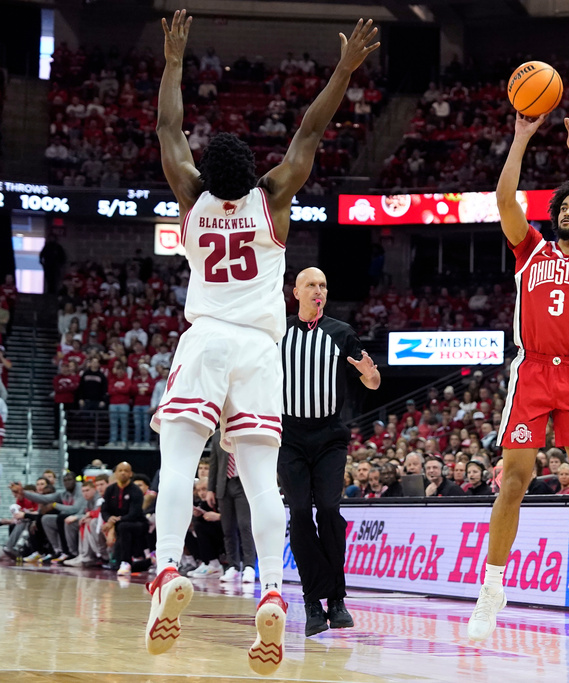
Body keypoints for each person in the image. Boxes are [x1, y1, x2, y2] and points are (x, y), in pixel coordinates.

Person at [147, 11, 379, 672]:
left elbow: (168, 128)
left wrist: (172, 61)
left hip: (206, 337)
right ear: (252, 171)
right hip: (259, 350)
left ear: (204, 173)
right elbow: (309, 129)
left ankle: (166, 570)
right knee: (262, 484)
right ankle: (275, 591)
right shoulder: (272, 198)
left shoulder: (190, 195)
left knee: (179, 459)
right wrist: (343, 70)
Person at [469, 106, 569, 642]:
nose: (568, 211)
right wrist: (520, 139)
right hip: (532, 371)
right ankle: (492, 587)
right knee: (512, 482)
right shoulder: (530, 250)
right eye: (560, 205)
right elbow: (503, 201)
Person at [278, 266, 380, 637]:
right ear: (297, 292)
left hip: (330, 436)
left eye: (323, 284)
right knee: (301, 514)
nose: (318, 290)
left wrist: (370, 375)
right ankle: (312, 602)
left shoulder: (341, 333)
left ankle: (336, 599)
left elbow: (372, 379)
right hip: (289, 435)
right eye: (311, 285)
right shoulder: (278, 331)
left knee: (330, 510)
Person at [206, 429, 256, 583]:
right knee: (228, 529)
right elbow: (213, 463)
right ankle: (233, 566)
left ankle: (249, 566)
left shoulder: (246, 428)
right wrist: (210, 489)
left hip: (243, 484)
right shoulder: (217, 435)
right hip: (224, 484)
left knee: (245, 525)